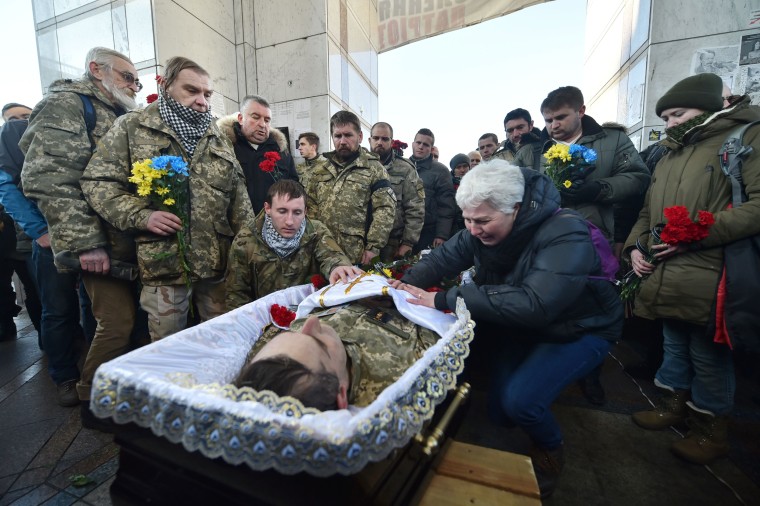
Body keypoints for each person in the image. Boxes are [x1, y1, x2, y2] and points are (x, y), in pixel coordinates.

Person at [390, 160, 623, 498]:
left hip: (580, 327)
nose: (472, 229)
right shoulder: (479, 225)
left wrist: (443, 298)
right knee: (499, 413)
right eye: (467, 219)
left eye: (482, 221)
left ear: (515, 208)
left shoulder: (566, 231)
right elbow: (442, 260)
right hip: (525, 325)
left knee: (520, 403)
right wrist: (399, 289)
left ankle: (551, 449)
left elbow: (536, 304)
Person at [626, 73, 760, 465]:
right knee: (673, 342)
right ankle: (672, 406)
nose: (668, 124)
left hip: (714, 269)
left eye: (676, 114)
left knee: (708, 354)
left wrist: (697, 233)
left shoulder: (746, 138)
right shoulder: (669, 153)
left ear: (707, 107)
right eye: (665, 117)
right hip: (666, 269)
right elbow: (649, 212)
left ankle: (709, 430)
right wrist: (635, 248)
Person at [81, 56, 255, 341]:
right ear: (167, 87)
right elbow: (98, 183)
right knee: (168, 347)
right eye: (192, 91)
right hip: (165, 266)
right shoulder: (133, 127)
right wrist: (142, 216)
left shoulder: (216, 135)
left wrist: (245, 255)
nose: (202, 101)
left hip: (216, 267)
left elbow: (239, 199)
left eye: (207, 94)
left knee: (222, 340)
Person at [20, 47, 141, 417]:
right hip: (97, 244)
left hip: (126, 243)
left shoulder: (119, 113)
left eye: (136, 80)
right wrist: (87, 244)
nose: (134, 86)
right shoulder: (68, 105)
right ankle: (91, 399)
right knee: (115, 323)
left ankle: (113, 389)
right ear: (96, 70)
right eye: (126, 77)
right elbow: (53, 179)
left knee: (111, 323)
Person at [236, 294, 442, 410]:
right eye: (321, 345)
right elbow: (435, 324)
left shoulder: (267, 359)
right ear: (341, 394)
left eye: (293, 331)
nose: (311, 322)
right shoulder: (404, 375)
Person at [226, 180, 361, 309]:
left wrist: (338, 267)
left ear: (305, 212)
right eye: (282, 211)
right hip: (264, 317)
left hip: (308, 313)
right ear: (268, 208)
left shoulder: (316, 231)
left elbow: (332, 255)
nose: (290, 221)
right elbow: (236, 294)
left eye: (297, 212)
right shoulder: (245, 240)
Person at [304, 110, 396, 265]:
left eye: (348, 135)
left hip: (357, 255)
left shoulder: (373, 168)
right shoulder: (320, 168)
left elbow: (385, 209)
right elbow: (310, 207)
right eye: (338, 136)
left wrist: (373, 247)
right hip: (322, 252)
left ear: (359, 137)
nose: (343, 141)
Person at [218, 95, 298, 215]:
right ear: (240, 118)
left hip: (273, 225)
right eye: (255, 117)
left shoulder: (281, 152)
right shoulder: (224, 148)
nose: (262, 124)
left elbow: (295, 188)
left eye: (267, 120)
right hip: (233, 228)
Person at [369, 122, 425, 261]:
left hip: (392, 244)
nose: (379, 142)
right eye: (376, 138)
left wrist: (408, 242)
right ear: (369, 140)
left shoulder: (405, 169)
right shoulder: (360, 166)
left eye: (385, 139)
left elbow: (415, 208)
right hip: (363, 242)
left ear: (392, 142)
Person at [409, 128, 456, 253]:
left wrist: (442, 235)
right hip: (403, 234)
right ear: (413, 144)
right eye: (418, 143)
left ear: (431, 148)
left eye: (425, 144)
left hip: (428, 234)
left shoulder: (441, 171)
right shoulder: (402, 167)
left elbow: (446, 206)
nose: (421, 147)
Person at [448, 153, 470, 236]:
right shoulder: (447, 184)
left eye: (465, 166)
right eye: (458, 167)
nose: (462, 170)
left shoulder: (476, 182)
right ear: (453, 169)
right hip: (452, 226)